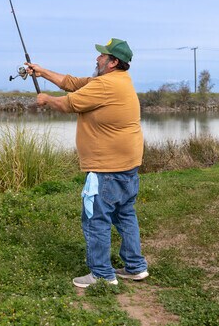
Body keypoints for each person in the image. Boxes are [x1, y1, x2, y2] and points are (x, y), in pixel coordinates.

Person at [25, 38, 148, 287]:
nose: (97, 58)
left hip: (106, 168)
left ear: (113, 62)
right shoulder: (117, 81)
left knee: (95, 219)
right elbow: (72, 84)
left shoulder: (104, 87)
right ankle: (135, 267)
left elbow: (68, 103)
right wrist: (42, 71)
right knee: (125, 214)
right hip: (127, 164)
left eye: (102, 56)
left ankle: (102, 274)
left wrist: (46, 100)